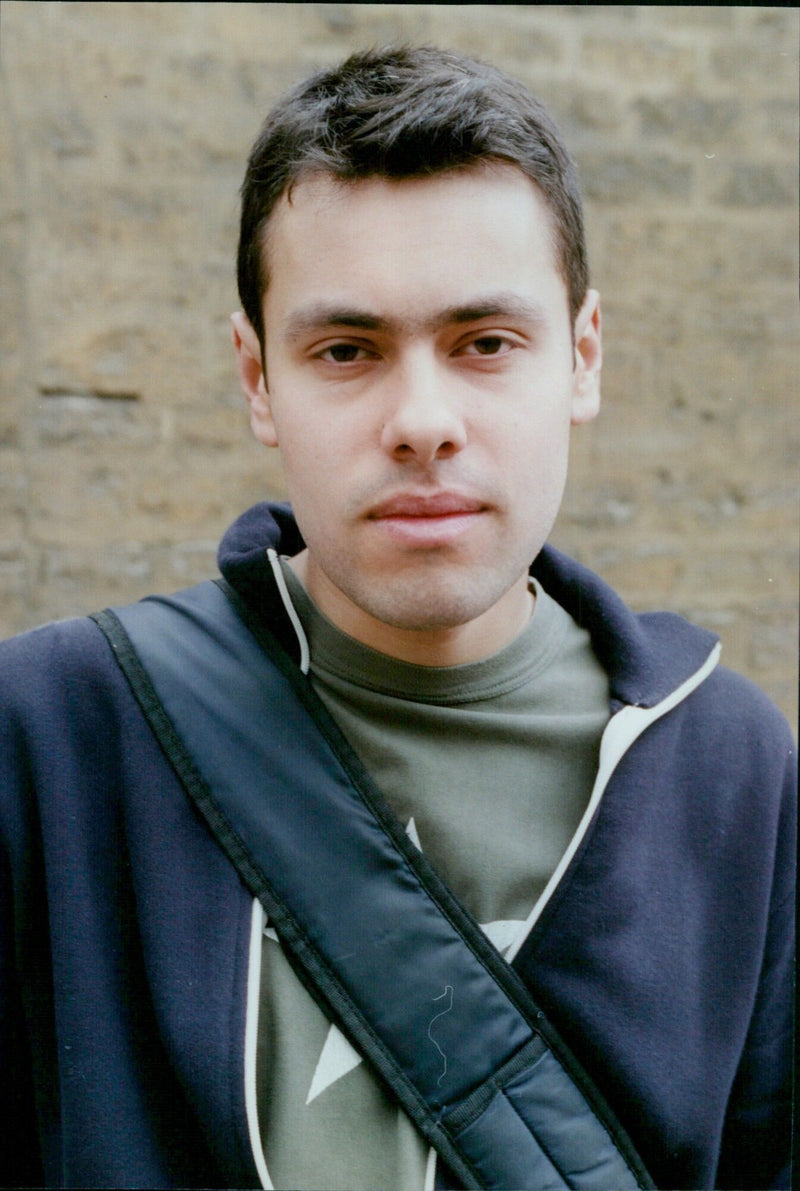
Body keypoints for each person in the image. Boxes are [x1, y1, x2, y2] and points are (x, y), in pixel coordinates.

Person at [0, 46, 794, 1191]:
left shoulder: (727, 766)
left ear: (580, 356)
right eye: (345, 350)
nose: (422, 421)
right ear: (255, 378)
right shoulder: (53, 742)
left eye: (484, 343)